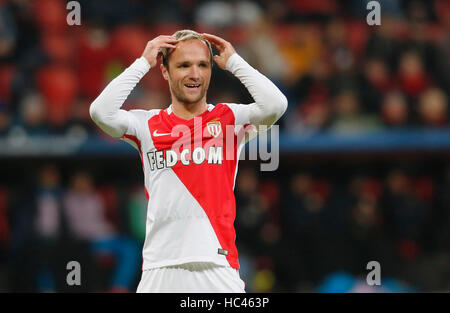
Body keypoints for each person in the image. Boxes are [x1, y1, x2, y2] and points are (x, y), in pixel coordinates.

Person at [89, 29, 287, 292]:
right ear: (165, 71)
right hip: (160, 268)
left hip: (218, 266)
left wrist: (235, 63)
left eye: (202, 65)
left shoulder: (229, 119)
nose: (194, 74)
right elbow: (100, 112)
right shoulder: (147, 124)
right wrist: (142, 63)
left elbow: (276, 105)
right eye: (183, 65)